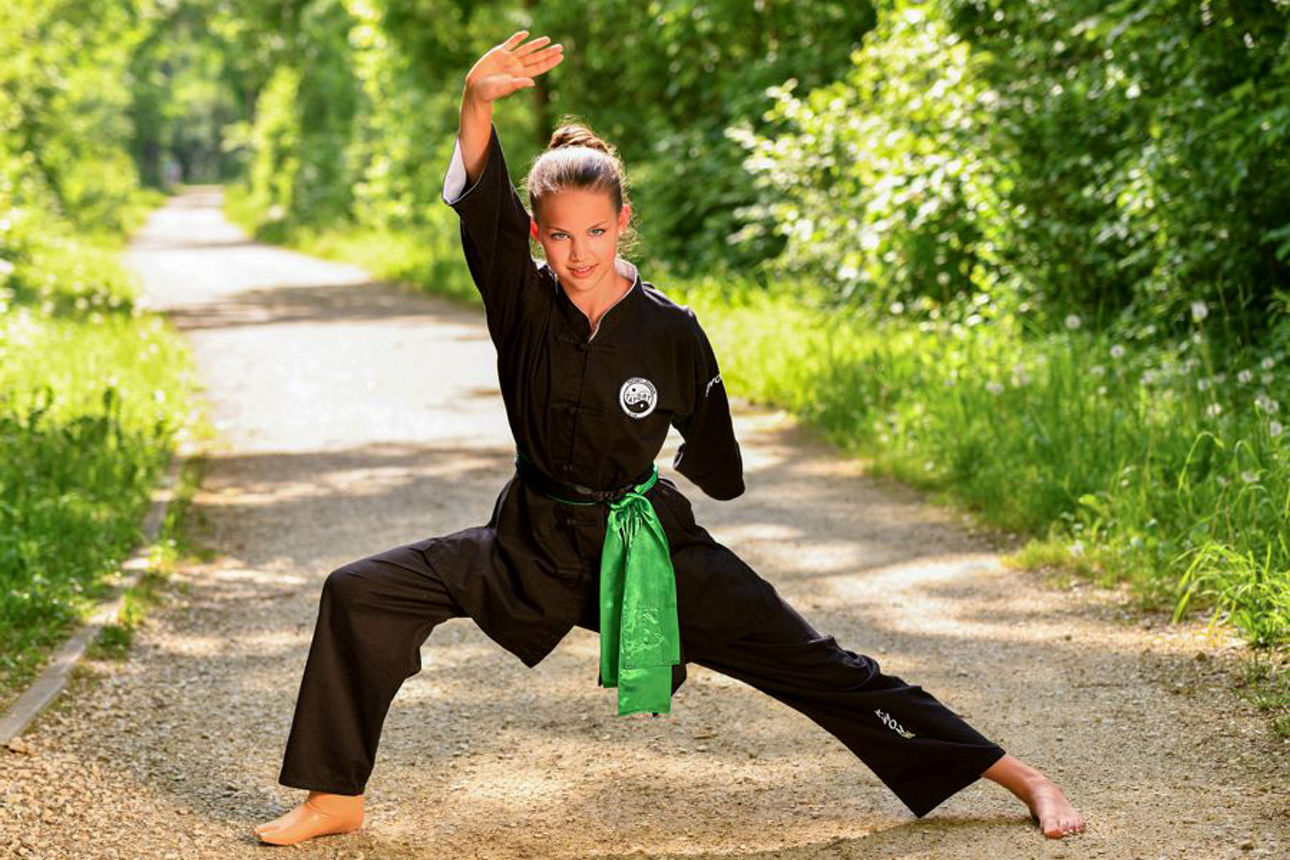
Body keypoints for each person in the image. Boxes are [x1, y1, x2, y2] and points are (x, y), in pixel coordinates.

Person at [253, 30, 1087, 847]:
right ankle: (335, 797)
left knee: (817, 663)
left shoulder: (670, 330)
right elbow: (482, 200)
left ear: (624, 223)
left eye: (597, 232)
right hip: (529, 543)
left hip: (644, 547)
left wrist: (691, 473)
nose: (579, 254)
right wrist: (476, 101)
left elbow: (713, 452)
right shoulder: (521, 301)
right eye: (560, 236)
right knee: (361, 591)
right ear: (537, 237)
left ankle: (1020, 777)